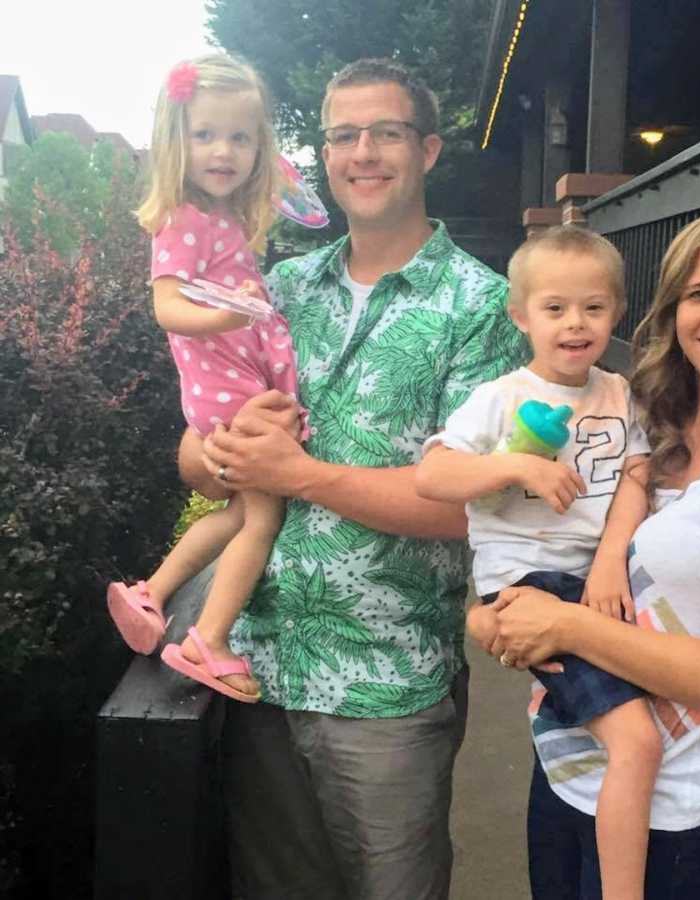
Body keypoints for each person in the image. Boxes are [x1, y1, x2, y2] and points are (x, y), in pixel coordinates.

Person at [180, 58, 529, 899]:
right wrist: (225, 454)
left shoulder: (482, 308)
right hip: (257, 665)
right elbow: (193, 453)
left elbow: (473, 508)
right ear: (324, 153)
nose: (362, 152)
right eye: (343, 135)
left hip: (388, 688)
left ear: (430, 150)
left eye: (387, 133)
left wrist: (296, 473)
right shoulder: (277, 287)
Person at [480, 208, 700, 899]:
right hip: (568, 762)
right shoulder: (650, 424)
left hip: (672, 812)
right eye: (697, 294)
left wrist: (567, 625)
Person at [416, 225, 660, 900]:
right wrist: (515, 463)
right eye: (555, 308)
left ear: (616, 311)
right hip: (533, 585)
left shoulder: (619, 392)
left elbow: (639, 471)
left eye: (593, 307)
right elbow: (433, 476)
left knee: (601, 736)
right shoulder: (500, 399)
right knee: (636, 742)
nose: (575, 323)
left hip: (600, 582)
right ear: (520, 315)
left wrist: (612, 557)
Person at [107, 54, 312, 702]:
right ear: (177, 140)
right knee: (264, 518)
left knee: (236, 513)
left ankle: (151, 594)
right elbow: (166, 307)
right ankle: (210, 639)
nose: (223, 150)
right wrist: (228, 312)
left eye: (240, 137)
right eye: (205, 134)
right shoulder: (181, 220)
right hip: (229, 394)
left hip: (234, 385)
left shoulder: (222, 221)